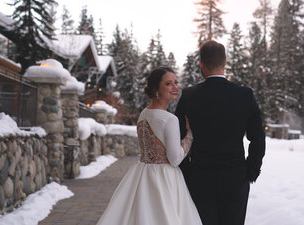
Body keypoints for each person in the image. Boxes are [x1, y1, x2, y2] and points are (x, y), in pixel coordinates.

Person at [175, 40, 266, 225]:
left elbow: (179, 136)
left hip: (200, 178)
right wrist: (250, 171)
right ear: (225, 62)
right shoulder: (245, 95)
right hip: (235, 178)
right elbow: (258, 138)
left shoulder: (189, 95)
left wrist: (187, 173)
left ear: (201, 63)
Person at [97, 67, 202, 225]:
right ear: (156, 89)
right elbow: (175, 159)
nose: (175, 87)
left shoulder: (144, 114)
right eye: (168, 84)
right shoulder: (169, 119)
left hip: (143, 173)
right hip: (164, 178)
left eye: (176, 82)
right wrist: (190, 136)